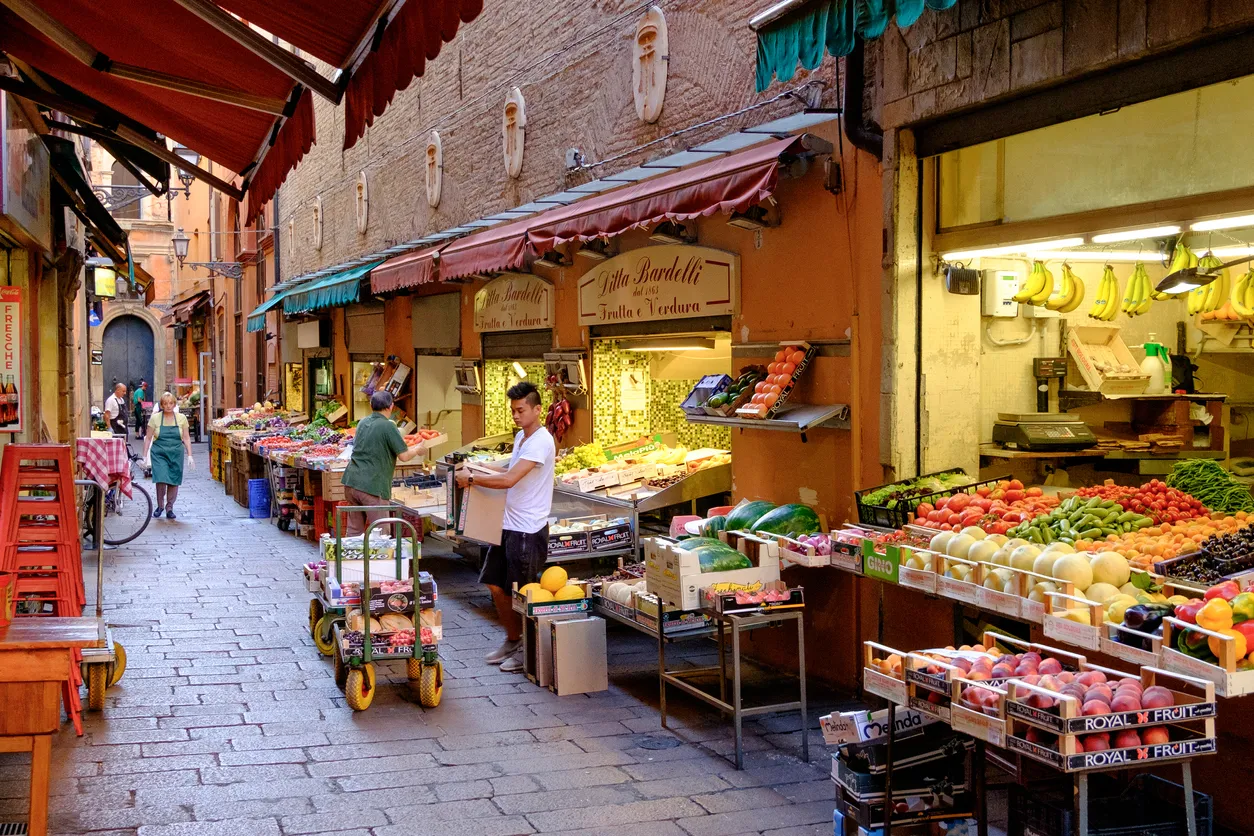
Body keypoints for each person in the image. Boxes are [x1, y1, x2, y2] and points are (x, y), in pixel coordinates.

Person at [455, 381, 555, 673]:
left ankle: (528, 651)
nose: (516, 415)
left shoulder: (541, 441)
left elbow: (510, 480)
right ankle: (513, 639)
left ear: (537, 410)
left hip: (528, 529)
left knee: (523, 593)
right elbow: (507, 469)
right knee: (495, 584)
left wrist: (472, 479)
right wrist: (477, 468)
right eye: (513, 410)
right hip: (508, 523)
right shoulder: (522, 437)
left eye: (521, 410)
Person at [340, 391, 428, 536]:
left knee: (354, 532)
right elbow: (404, 456)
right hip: (372, 486)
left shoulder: (362, 422)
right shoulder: (388, 426)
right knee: (381, 534)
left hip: (351, 482)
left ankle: (350, 551)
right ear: (391, 406)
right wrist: (417, 450)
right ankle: (378, 552)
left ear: (371, 405)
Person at [142, 392, 194, 519]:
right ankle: (160, 506)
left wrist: (190, 455)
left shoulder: (182, 418)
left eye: (171, 403)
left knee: (174, 479)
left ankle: (169, 508)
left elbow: (186, 438)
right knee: (161, 477)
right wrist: (144, 456)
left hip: (176, 453)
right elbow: (148, 438)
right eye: (165, 403)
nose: (168, 406)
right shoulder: (155, 418)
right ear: (161, 405)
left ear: (174, 404)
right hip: (159, 453)